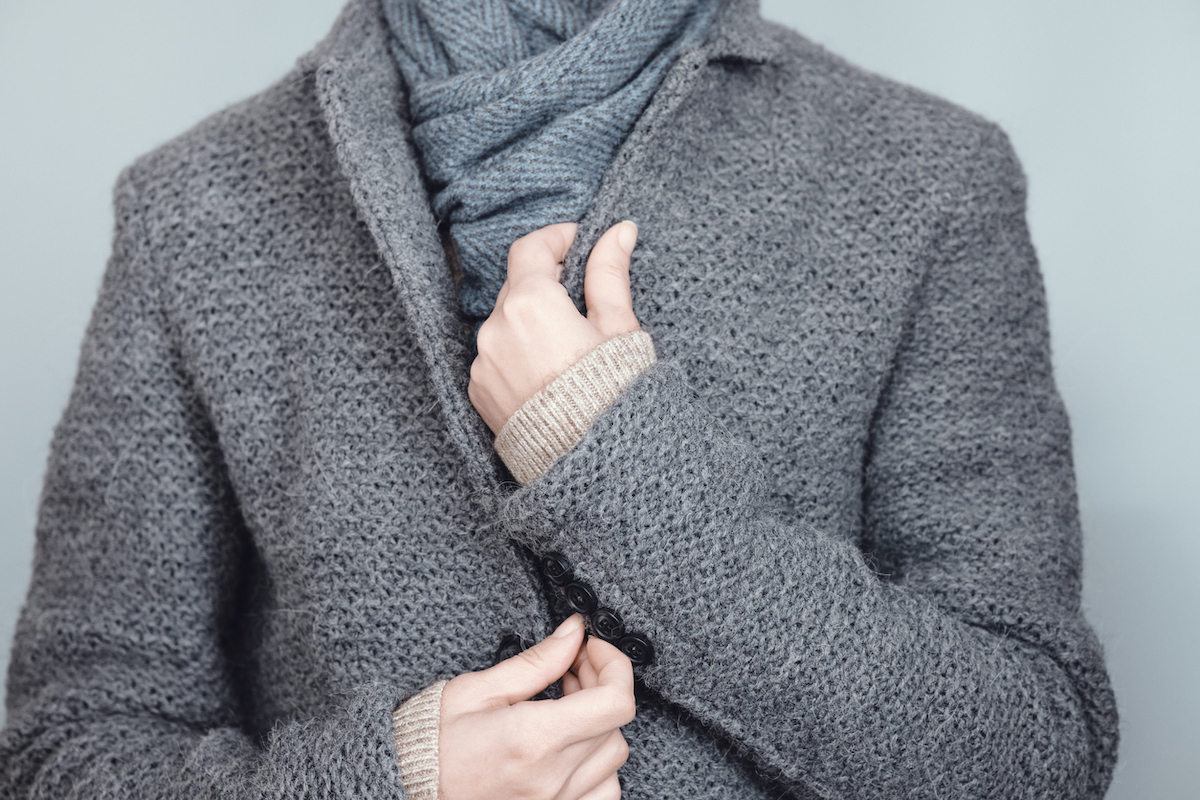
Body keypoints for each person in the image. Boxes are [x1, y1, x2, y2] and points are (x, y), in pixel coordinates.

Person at [0, 0, 1119, 797]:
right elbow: (66, 750)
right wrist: (385, 783)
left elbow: (1032, 751)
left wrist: (609, 458)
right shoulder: (198, 204)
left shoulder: (926, 177)